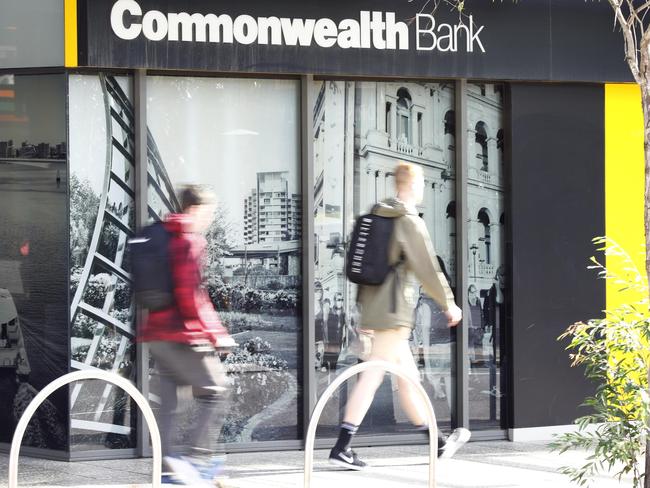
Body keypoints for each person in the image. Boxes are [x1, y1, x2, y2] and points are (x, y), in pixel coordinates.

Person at [329, 162, 470, 470]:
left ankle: (439, 443)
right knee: (373, 375)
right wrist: (449, 304)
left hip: (377, 310)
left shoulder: (377, 216)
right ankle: (342, 446)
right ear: (414, 185)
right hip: (393, 313)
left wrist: (364, 313)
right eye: (420, 185)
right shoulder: (407, 220)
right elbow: (428, 267)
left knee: (409, 380)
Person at [138, 186, 235, 486]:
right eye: (209, 212)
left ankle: (167, 471)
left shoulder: (162, 233)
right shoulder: (187, 239)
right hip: (181, 334)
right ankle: (198, 461)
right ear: (195, 209)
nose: (210, 218)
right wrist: (217, 334)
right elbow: (190, 294)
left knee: (169, 405)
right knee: (217, 391)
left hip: (156, 334)